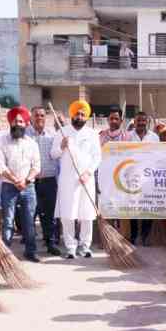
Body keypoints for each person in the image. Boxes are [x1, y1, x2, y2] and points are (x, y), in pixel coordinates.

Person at [51, 100, 102, 259]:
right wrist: (62, 146)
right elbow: (53, 154)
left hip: (86, 178)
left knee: (86, 214)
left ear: (86, 117)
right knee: (68, 214)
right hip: (68, 180)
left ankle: (85, 246)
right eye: (77, 114)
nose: (79, 116)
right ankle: (71, 247)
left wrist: (88, 173)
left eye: (82, 114)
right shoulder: (62, 132)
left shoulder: (92, 134)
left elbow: (97, 157)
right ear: (72, 115)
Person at [0, 107, 41, 262]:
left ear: (26, 124)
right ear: (10, 122)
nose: (18, 124)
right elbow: (0, 165)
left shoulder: (32, 143)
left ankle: (30, 251)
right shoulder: (2, 141)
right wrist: (15, 180)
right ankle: (5, 255)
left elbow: (37, 166)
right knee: (8, 222)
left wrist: (26, 180)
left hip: (28, 187)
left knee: (29, 221)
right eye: (15, 121)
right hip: (9, 187)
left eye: (21, 121)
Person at [28, 106, 61, 256]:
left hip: (49, 181)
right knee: (30, 215)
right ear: (31, 117)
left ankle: (51, 243)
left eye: (42, 115)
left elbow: (58, 155)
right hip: (31, 181)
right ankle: (31, 246)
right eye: (36, 115)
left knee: (50, 215)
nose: (39, 118)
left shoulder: (53, 136)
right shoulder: (25, 135)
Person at [127, 111, 159, 245]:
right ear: (134, 122)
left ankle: (145, 236)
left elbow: (158, 156)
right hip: (132, 176)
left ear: (147, 122)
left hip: (149, 177)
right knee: (133, 207)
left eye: (143, 120)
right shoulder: (127, 136)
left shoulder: (154, 137)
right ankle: (134, 236)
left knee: (148, 207)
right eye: (138, 120)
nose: (141, 123)